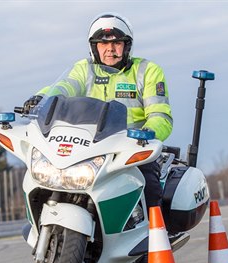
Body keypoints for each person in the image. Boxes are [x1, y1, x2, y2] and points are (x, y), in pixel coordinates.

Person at [23, 12, 173, 208]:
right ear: (94, 47)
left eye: (117, 43)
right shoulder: (84, 69)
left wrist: (145, 135)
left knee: (150, 191)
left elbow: (160, 116)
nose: (110, 49)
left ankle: (156, 236)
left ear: (127, 45)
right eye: (103, 44)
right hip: (87, 148)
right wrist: (40, 99)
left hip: (130, 148)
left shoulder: (147, 71)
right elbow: (64, 87)